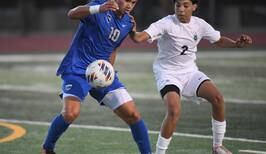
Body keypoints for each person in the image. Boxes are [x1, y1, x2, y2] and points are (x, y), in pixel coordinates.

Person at [129, 0, 252, 154]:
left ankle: (217, 147)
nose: (180, 9)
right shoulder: (166, 23)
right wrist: (132, 30)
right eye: (177, 5)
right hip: (168, 73)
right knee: (174, 110)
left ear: (194, 7)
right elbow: (139, 38)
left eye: (185, 6)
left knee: (218, 99)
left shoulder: (200, 25)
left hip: (190, 72)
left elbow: (218, 40)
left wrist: (236, 44)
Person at [41, 0, 152, 153]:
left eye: (133, 2)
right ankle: (47, 149)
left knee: (133, 114)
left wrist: (109, 71)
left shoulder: (127, 22)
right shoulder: (101, 5)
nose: (129, 5)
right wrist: (97, 9)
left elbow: (112, 48)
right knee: (70, 113)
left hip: (103, 73)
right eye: (126, 0)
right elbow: (71, 14)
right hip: (77, 69)